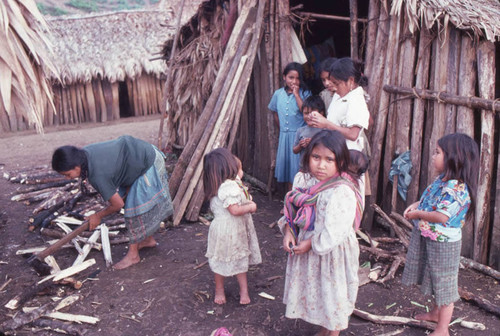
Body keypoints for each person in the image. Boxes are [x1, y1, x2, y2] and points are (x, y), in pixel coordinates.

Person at [281, 130, 364, 336]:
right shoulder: (303, 180)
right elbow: (292, 210)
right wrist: (288, 232)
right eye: (316, 157)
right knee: (319, 290)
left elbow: (336, 230)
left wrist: (310, 243)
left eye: (329, 159)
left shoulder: (342, 190)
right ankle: (324, 328)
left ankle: (333, 332)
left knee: (332, 292)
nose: (321, 165)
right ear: (308, 156)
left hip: (331, 250)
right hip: (308, 245)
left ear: (341, 161)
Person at [51, 135, 174, 270]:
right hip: (137, 157)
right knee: (129, 200)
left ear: (76, 166)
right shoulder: (84, 155)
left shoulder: (96, 175)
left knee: (132, 210)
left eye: (68, 174)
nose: (68, 178)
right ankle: (147, 239)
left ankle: (133, 255)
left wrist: (98, 216)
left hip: (149, 162)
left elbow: (117, 205)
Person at [402, 133, 479, 336]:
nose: (433, 156)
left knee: (444, 285)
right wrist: (415, 205)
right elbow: (428, 201)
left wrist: (417, 214)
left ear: (455, 157)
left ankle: (443, 329)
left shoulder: (458, 190)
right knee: (433, 276)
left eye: (438, 152)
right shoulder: (442, 181)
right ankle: (436, 313)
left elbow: (441, 216)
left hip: (445, 244)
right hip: (431, 238)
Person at [203, 148, 261, 305]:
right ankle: (243, 292)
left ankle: (221, 290)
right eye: (239, 169)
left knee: (221, 260)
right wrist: (251, 207)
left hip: (222, 230)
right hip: (231, 230)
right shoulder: (229, 186)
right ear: (228, 168)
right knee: (239, 259)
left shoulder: (219, 185)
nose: (241, 172)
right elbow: (234, 210)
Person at [268, 62, 312, 190]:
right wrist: (282, 128)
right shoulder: (278, 94)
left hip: (299, 137)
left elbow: (305, 111)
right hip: (285, 136)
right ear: (284, 77)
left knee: (297, 170)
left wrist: (296, 94)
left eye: (298, 78)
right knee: (287, 170)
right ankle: (289, 201)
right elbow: (275, 112)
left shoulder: (305, 93)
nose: (294, 81)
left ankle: (297, 201)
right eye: (291, 77)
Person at [292, 95, 326, 168]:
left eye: (312, 113)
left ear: (321, 113)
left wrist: (313, 143)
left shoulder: (325, 130)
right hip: (304, 168)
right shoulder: (300, 130)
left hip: (319, 168)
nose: (308, 116)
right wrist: (300, 146)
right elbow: (294, 150)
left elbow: (328, 149)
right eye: (306, 113)